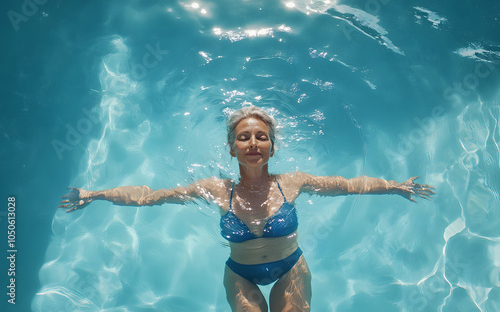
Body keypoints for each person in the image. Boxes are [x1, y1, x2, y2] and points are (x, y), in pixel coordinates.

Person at [59, 106, 434, 312]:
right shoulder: (215, 190)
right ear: (232, 147)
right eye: (244, 137)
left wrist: (394, 186)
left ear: (273, 146)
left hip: (290, 268)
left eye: (261, 136)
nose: (253, 142)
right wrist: (98, 193)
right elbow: (151, 196)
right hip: (241, 275)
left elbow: (348, 185)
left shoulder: (292, 183)